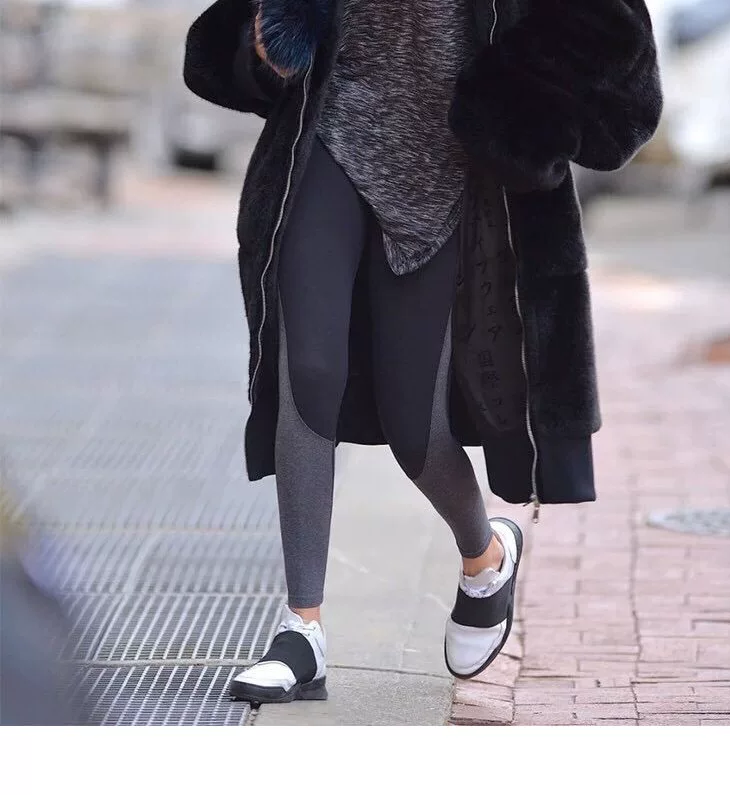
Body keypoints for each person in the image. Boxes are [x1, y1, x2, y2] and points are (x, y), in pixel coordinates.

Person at [184, 0, 662, 704]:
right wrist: (269, 38)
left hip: (449, 165)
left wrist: (522, 107)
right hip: (333, 130)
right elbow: (222, 45)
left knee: (416, 429)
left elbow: (620, 55)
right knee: (307, 369)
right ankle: (302, 627)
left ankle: (485, 556)